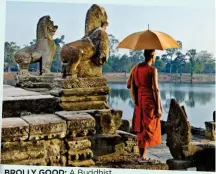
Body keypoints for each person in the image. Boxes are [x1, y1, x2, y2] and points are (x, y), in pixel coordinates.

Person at [127, 49, 163, 163]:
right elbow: (156, 89)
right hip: (149, 101)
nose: (155, 57)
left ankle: (142, 155)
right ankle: (143, 156)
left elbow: (129, 85)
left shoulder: (136, 68)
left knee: (141, 127)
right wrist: (158, 107)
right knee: (148, 127)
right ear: (152, 56)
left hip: (139, 101)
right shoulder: (153, 70)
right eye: (155, 55)